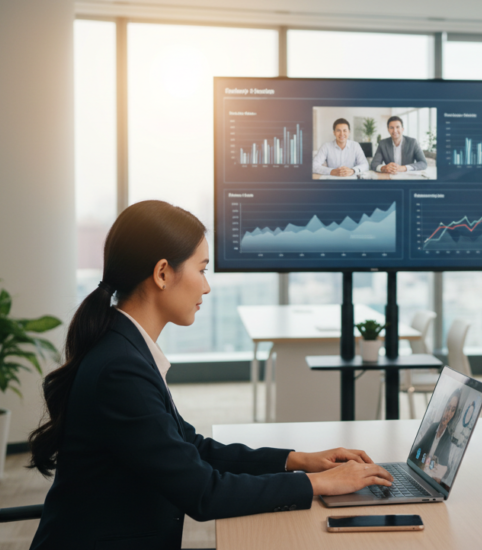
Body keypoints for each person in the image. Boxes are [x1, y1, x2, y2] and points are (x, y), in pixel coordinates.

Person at [28, 200, 392, 549]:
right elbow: (205, 493)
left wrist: (298, 460)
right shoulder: (120, 370)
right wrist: (317, 484)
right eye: (201, 270)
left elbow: (191, 447)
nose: (206, 286)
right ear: (162, 273)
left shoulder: (123, 348)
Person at [413, 389, 461, 478]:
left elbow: (446, 467)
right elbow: (416, 451)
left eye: (453, 410)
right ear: (444, 407)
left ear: (454, 414)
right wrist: (423, 460)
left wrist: (443, 469)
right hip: (420, 471)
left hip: (430, 476)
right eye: (448, 408)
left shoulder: (448, 437)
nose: (448, 414)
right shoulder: (433, 427)